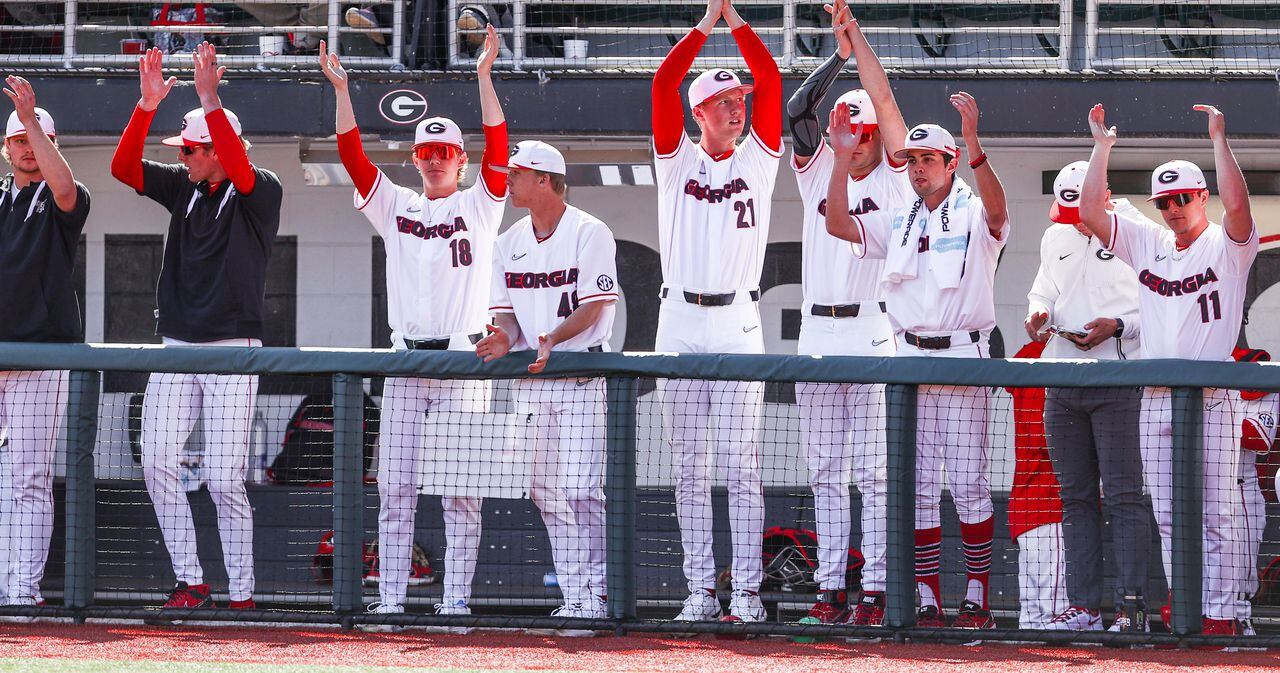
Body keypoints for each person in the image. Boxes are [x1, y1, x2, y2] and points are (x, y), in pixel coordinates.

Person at [318, 26, 507, 625]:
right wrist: (342, 92)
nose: (431, 161)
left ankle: (455, 601)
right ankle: (392, 597)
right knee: (394, 492)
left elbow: (500, 148)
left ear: (459, 159)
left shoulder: (480, 203)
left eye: (443, 153)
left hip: (461, 361)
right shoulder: (397, 203)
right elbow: (353, 159)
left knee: (461, 495)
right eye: (423, 154)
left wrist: (483, 79)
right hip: (404, 362)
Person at [825, 92, 1009, 630]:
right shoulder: (900, 216)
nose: (918, 168)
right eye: (910, 160)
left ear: (951, 163)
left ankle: (978, 594)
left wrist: (974, 144)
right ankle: (928, 597)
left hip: (961, 359)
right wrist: (839, 158)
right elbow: (839, 224)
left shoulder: (972, 209)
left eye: (929, 159)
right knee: (921, 486)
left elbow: (1000, 212)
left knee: (970, 485)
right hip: (908, 364)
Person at [110, 43, 284, 611]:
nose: (183, 158)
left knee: (223, 478)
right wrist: (146, 105)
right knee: (157, 460)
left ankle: (243, 595)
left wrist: (209, 98)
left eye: (191, 150)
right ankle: (192, 580)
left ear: (214, 147)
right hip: (179, 343)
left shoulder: (261, 187)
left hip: (234, 346)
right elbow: (123, 168)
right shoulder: (185, 186)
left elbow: (239, 165)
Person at [1080, 102, 1257, 636]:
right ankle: (1189, 606)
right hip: (1156, 395)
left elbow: (1241, 208)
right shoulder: (1150, 242)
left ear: (1202, 197)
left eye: (1183, 198)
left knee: (1219, 513)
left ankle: (1225, 614)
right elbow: (1090, 212)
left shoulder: (1226, 247)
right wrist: (1102, 149)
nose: (1174, 209)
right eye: (1165, 201)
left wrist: (1220, 143)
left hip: (1211, 392)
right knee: (1170, 515)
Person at [650, 0, 782, 625]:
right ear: (699, 112)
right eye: (726, 101)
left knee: (743, 465)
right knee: (688, 467)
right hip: (678, 318)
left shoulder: (759, 156)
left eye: (741, 101)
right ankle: (701, 588)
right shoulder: (677, 157)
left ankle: (748, 593)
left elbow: (773, 79)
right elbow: (662, 83)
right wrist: (706, 24)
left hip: (738, 320)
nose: (739, 107)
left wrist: (738, 22)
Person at [784, 0, 910, 627]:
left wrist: (857, 43)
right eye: (844, 131)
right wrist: (835, 58)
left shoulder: (893, 175)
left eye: (856, 132)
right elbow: (796, 111)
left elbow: (885, 103)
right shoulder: (817, 173)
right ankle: (832, 588)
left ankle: (880, 591)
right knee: (826, 470)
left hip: (871, 325)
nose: (851, 139)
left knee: (878, 472)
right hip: (817, 328)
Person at [476, 140, 619, 635]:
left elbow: (595, 304)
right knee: (542, 490)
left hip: (579, 374)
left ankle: (598, 591)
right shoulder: (507, 240)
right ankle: (575, 592)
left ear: (543, 180)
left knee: (581, 491)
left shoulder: (589, 231)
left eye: (516, 174)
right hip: (534, 381)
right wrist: (500, 338)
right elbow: (508, 315)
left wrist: (553, 336)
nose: (507, 180)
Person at [1025, 161, 1151, 632]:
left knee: (1122, 496)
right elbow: (1044, 290)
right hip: (1063, 378)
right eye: (1068, 210)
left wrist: (1118, 327)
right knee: (1075, 497)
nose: (1075, 220)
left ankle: (1131, 607)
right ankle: (1083, 606)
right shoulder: (1054, 236)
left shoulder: (1138, 230)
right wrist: (1037, 314)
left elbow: (1160, 302)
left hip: (1120, 378)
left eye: (1083, 209)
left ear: (1107, 195)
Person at [0, 77, 90, 609]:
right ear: (6, 148)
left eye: (37, 138)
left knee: (30, 480)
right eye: (18, 140)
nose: (28, 148)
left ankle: (22, 592)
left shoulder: (63, 196)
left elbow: (63, 188)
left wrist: (31, 117)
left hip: (43, 355)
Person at [1003, 341, 1067, 629]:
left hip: (1033, 504)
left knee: (1033, 619)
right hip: (1046, 501)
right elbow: (1043, 438)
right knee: (1055, 616)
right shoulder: (1039, 356)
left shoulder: (1031, 353)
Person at [1232, 347, 1276, 637]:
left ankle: (1241, 622)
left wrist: (1215, 419)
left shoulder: (1264, 379)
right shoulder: (1202, 384)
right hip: (1197, 490)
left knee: (1241, 567)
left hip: (1241, 490)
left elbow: (1258, 438)